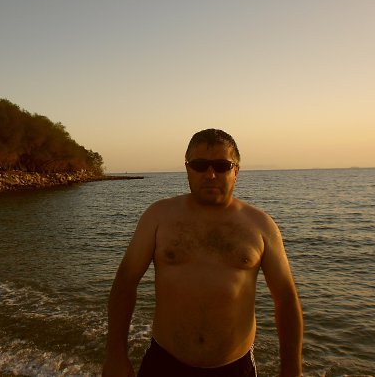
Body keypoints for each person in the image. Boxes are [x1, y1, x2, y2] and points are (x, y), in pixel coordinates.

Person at [102, 129, 303, 377]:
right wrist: (115, 355)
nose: (210, 174)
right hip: (164, 362)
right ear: (187, 169)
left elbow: (286, 299)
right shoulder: (158, 217)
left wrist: (292, 369)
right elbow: (125, 282)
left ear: (236, 171)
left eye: (222, 166)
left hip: (234, 368)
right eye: (199, 165)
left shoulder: (260, 226)